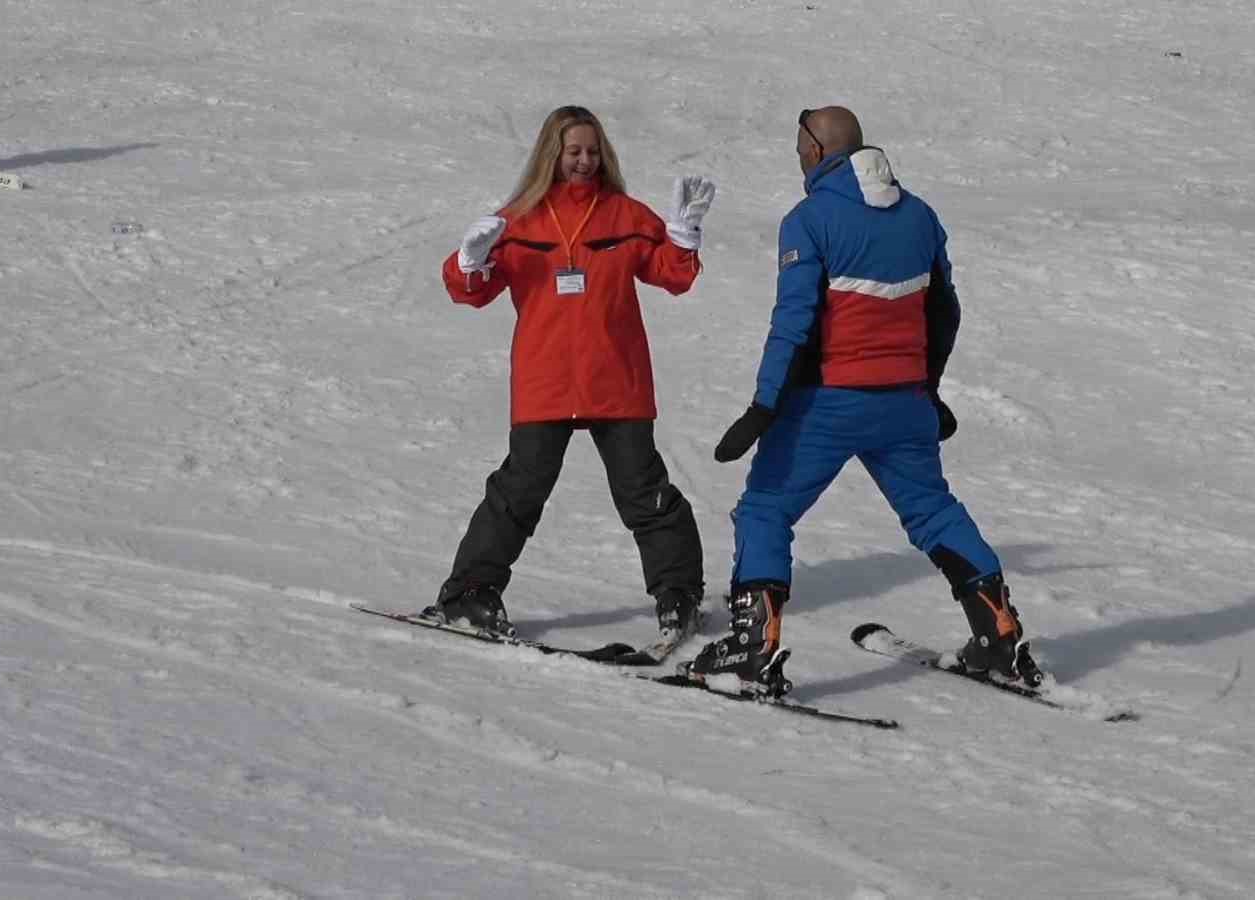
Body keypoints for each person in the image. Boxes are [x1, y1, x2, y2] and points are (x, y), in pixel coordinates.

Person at [681, 106, 1042, 694]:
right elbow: (944, 311)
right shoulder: (920, 214)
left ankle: (750, 648)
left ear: (819, 151)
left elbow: (794, 320)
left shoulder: (809, 220)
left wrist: (764, 406)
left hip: (827, 404)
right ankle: (998, 633)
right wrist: (928, 387)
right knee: (932, 510)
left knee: (765, 510)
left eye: (800, 146)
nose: (798, 156)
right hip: (904, 403)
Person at [425, 105, 716, 647]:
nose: (585, 161)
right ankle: (468, 594)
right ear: (550, 155)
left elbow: (672, 277)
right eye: (574, 151)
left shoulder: (625, 215)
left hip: (617, 380)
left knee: (644, 493)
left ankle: (680, 596)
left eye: (593, 151)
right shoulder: (518, 222)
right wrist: (468, 263)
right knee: (519, 491)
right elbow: (471, 293)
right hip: (547, 382)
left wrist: (684, 236)